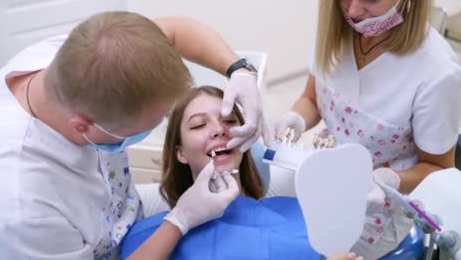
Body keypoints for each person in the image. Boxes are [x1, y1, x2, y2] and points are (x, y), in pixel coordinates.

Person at [0, 12, 263, 259]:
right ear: (83, 125)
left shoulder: (85, 54)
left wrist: (239, 70)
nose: (219, 130)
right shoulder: (16, 212)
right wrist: (178, 221)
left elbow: (177, 30)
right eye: (146, 127)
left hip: (121, 219)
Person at [263, 0, 461, 258]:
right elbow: (312, 98)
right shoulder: (338, 30)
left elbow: (439, 169)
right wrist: (294, 120)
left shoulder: (438, 74)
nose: (353, 11)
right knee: (257, 210)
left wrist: (388, 179)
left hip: (378, 207)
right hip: (328, 170)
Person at [121, 86, 363, 260]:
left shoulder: (305, 220)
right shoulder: (148, 237)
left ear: (246, 137)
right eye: (199, 124)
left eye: (230, 121)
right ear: (180, 152)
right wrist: (179, 221)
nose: (219, 130)